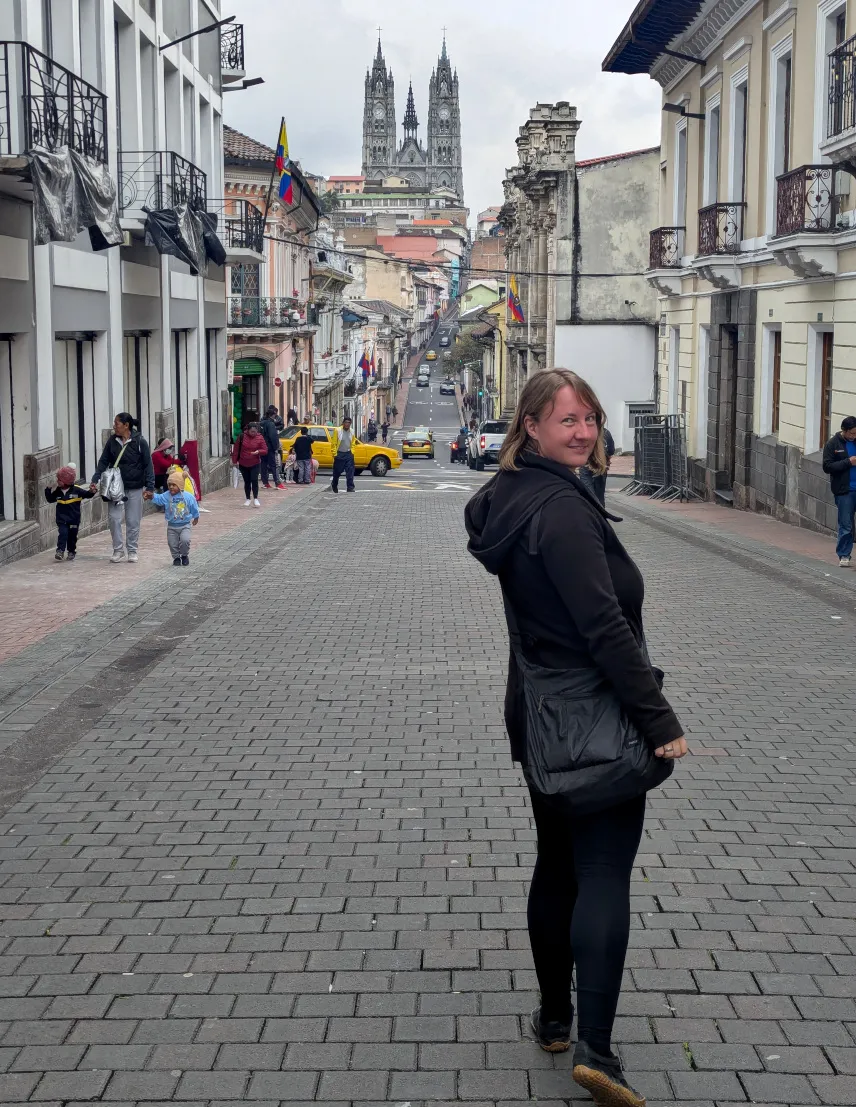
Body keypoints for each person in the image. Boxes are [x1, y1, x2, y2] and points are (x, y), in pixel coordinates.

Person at [465, 369, 687, 1107]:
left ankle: (554, 1016)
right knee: (602, 872)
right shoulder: (559, 509)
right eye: (568, 420)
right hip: (596, 716)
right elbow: (604, 626)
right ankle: (596, 1045)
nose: (586, 432)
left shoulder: (510, 497)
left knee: (556, 863)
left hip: (538, 715)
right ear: (529, 424)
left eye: (591, 418)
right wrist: (658, 719)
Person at [90, 413, 154, 564]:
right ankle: (118, 550)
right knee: (114, 519)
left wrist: (150, 487)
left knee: (133, 520)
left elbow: (148, 465)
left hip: (135, 487)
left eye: (116, 423)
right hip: (115, 488)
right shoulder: (112, 442)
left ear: (126, 425)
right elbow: (103, 461)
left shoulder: (140, 442)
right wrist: (95, 478)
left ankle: (132, 550)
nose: (114, 426)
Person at [144, 468, 199, 566]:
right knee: (172, 543)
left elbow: (193, 506)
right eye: (169, 485)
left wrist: (196, 516)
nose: (171, 487)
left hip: (185, 525)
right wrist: (151, 496)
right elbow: (159, 498)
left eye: (174, 485)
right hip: (172, 526)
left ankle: (184, 555)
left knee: (185, 540)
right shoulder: (167, 495)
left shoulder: (188, 497)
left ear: (180, 485)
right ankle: (176, 557)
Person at [822, 415, 856, 567]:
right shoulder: (833, 444)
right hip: (845, 491)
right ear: (844, 431)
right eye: (852, 433)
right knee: (846, 524)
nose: (854, 436)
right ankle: (844, 555)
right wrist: (848, 462)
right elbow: (827, 466)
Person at [45, 463, 96, 562]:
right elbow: (50, 499)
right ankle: (60, 551)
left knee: (72, 536)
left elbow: (87, 494)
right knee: (63, 533)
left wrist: (92, 491)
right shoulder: (58, 491)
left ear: (66, 482)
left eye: (59, 480)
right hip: (62, 519)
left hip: (74, 519)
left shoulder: (76, 490)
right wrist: (48, 489)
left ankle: (71, 551)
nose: (57, 481)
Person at [231, 422, 267, 507]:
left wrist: (258, 452)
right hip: (243, 463)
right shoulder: (242, 437)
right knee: (247, 481)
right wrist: (234, 461)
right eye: (252, 431)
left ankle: (256, 498)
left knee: (254, 480)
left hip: (255, 462)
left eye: (255, 431)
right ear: (248, 430)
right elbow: (236, 450)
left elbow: (265, 450)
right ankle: (248, 498)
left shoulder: (260, 437)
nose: (253, 433)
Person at [579, 426, 615, 506]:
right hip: (601, 466)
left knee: (588, 493)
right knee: (600, 495)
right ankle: (601, 515)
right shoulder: (606, 433)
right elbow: (611, 450)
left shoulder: (585, 432)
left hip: (587, 464)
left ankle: (591, 514)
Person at [260, 406, 285, 489]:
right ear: (274, 415)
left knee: (263, 464)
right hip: (270, 447)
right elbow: (273, 436)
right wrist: (276, 447)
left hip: (262, 446)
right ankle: (277, 483)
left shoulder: (262, 423)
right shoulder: (271, 424)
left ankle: (265, 482)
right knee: (273, 465)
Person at [329, 416, 356, 493]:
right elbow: (333, 443)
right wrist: (335, 454)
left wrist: (352, 452)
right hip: (339, 454)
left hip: (348, 454)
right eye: (346, 423)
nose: (347, 424)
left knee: (350, 471)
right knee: (337, 472)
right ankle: (334, 485)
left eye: (349, 423)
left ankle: (350, 487)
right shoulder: (338, 430)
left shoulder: (352, 431)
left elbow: (353, 442)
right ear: (343, 423)